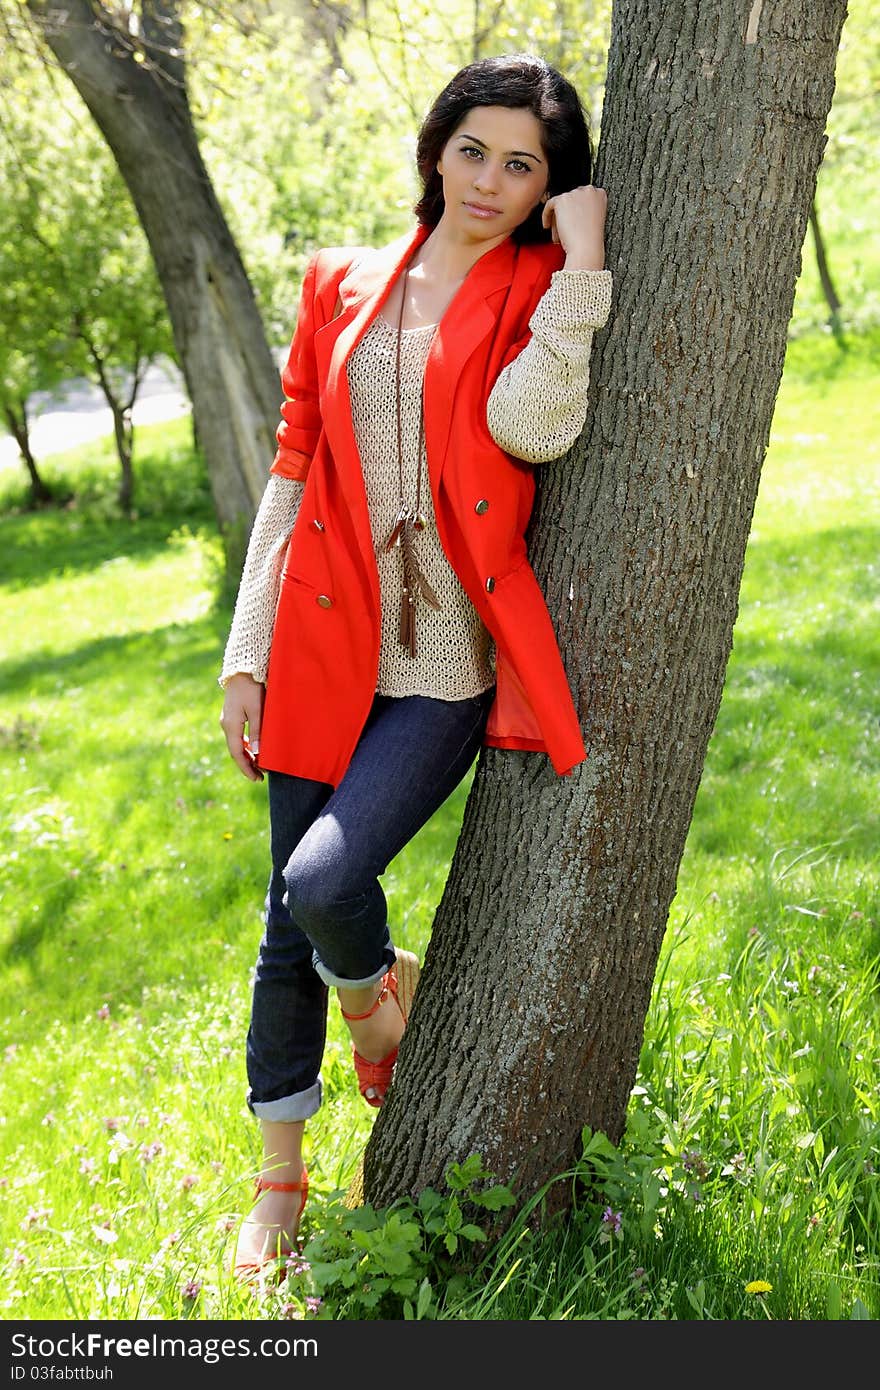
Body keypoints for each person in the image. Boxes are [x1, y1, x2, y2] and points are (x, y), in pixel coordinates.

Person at [218, 50, 612, 1280]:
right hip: (320, 644)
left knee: (327, 881)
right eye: (472, 150)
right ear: (436, 149)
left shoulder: (541, 281)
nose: (488, 180)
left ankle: (377, 986)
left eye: (522, 165)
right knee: (286, 918)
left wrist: (584, 261)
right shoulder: (338, 280)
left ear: (548, 187)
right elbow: (291, 467)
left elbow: (532, 427)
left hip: (444, 662)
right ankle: (280, 1180)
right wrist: (247, 653)